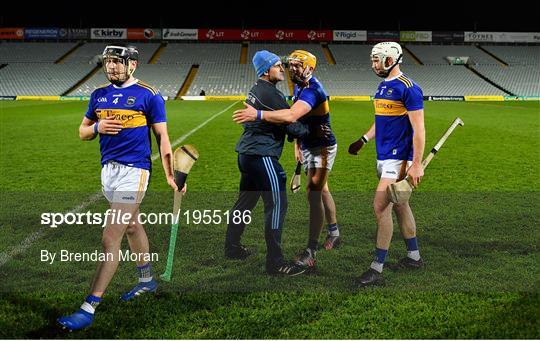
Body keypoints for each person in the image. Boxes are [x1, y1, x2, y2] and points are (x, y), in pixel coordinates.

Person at [58, 45, 180, 331]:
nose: (111, 67)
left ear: (132, 65)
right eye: (108, 62)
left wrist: (170, 175)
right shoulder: (99, 95)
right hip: (108, 173)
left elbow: (162, 137)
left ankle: (88, 307)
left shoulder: (148, 95)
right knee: (132, 227)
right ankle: (147, 281)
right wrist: (97, 128)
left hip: (134, 172)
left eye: (117, 62)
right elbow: (82, 132)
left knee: (110, 235)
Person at [232, 50, 339, 269]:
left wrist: (258, 115)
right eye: (288, 65)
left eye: (296, 66)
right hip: (288, 148)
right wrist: (298, 144)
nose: (289, 69)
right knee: (309, 194)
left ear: (309, 67)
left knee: (314, 193)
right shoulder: (294, 87)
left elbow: (290, 117)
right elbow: (294, 119)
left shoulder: (312, 90)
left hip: (321, 146)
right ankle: (332, 234)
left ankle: (311, 249)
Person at [348, 42, 425, 287]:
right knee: (401, 205)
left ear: (390, 60)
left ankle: (376, 268)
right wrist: (364, 139)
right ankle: (414, 257)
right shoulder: (382, 87)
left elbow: (419, 129)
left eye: (376, 60)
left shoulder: (409, 89)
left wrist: (416, 164)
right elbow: (380, 121)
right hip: (383, 156)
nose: (373, 65)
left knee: (380, 207)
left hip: (398, 159)